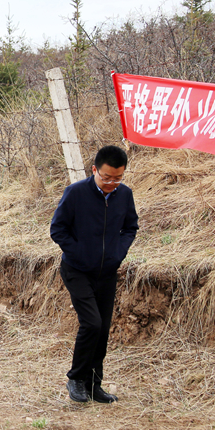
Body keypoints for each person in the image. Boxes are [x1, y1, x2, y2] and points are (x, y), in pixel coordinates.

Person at [50, 145, 139, 404]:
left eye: (118, 178)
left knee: (102, 330)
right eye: (106, 177)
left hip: (107, 272)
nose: (112, 183)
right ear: (94, 170)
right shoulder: (76, 192)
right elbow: (58, 229)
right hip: (77, 269)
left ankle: (93, 384)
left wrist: (117, 254)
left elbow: (130, 227)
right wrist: (80, 254)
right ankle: (76, 379)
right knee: (92, 323)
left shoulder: (125, 194)